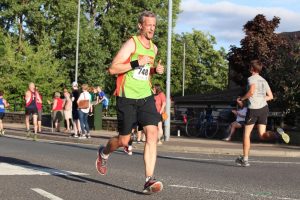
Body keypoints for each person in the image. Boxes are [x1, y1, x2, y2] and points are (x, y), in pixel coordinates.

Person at [95, 11, 164, 194]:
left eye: (154, 25)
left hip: (146, 97)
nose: (152, 28)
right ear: (140, 26)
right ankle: (104, 153)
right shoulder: (131, 43)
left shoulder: (154, 48)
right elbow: (113, 69)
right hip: (127, 98)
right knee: (124, 140)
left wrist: (155, 71)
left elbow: (144, 71)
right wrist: (136, 62)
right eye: (149, 25)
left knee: (152, 133)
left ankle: (149, 179)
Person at [235, 60, 290, 167]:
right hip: (264, 109)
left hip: (253, 109)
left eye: (249, 66)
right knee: (262, 135)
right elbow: (270, 96)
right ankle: (277, 134)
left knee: (246, 134)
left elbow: (251, 92)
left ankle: (245, 159)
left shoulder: (251, 78)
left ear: (252, 68)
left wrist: (242, 99)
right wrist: (260, 98)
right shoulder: (264, 80)